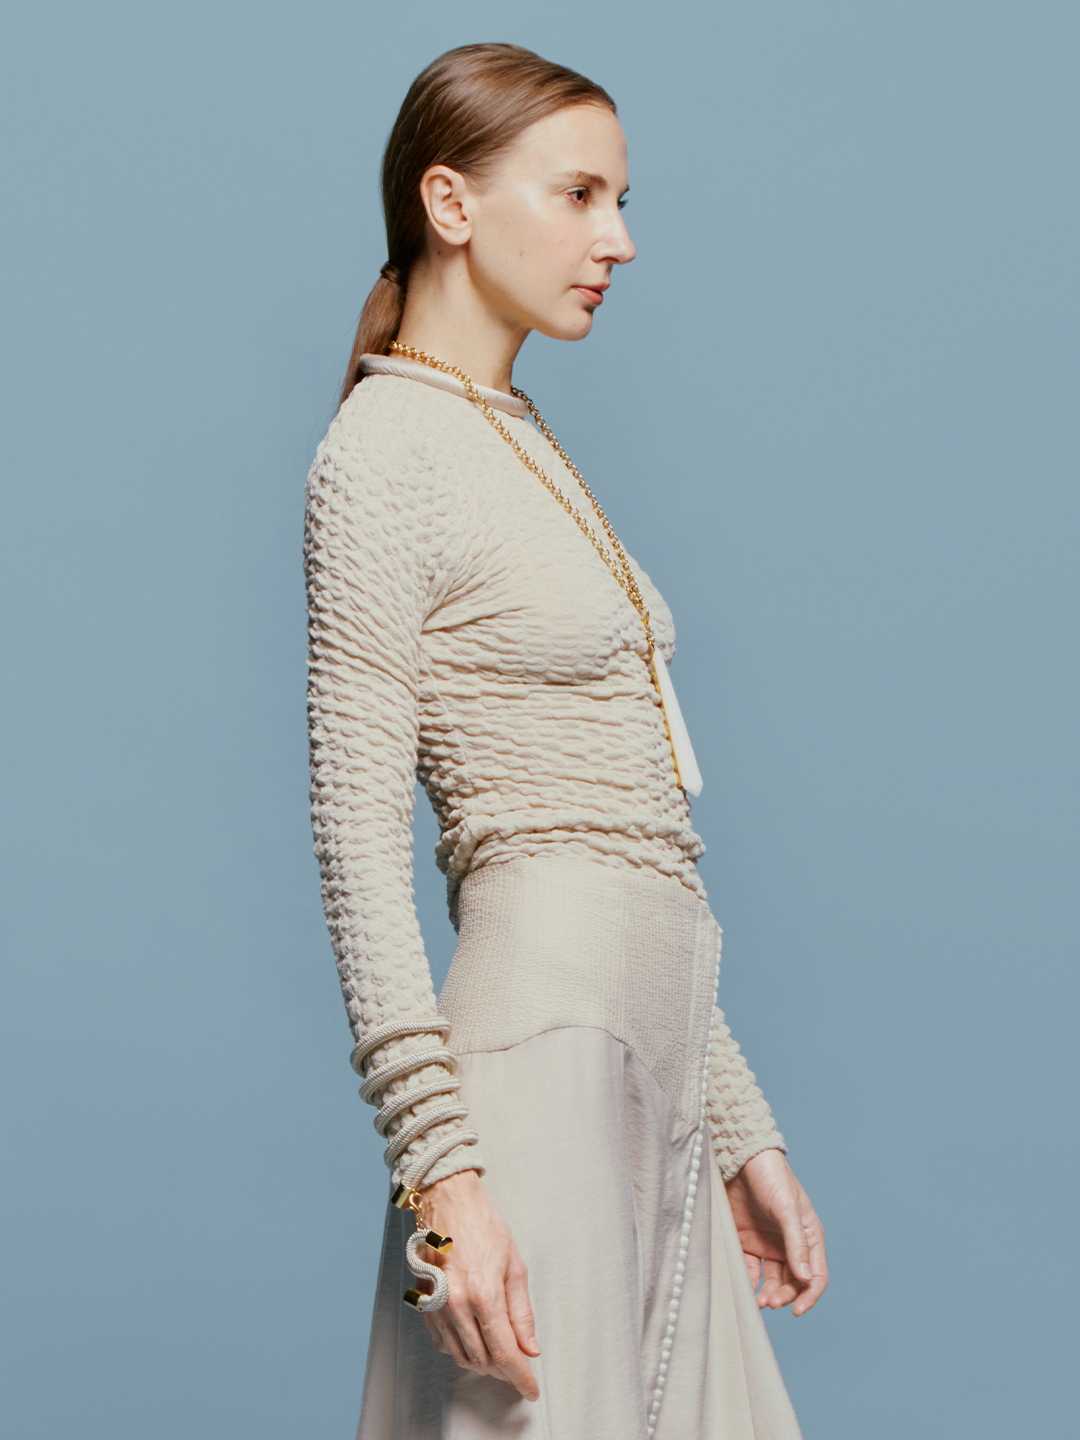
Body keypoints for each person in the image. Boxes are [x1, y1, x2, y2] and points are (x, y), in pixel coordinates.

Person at [305, 42, 827, 1440]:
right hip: (535, 1063)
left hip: (655, 1048)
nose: (622, 239)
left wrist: (738, 1123)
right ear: (452, 203)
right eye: (583, 194)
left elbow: (622, 816)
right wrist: (444, 1180)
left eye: (622, 198)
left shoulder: (514, 431)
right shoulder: (382, 454)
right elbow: (358, 843)